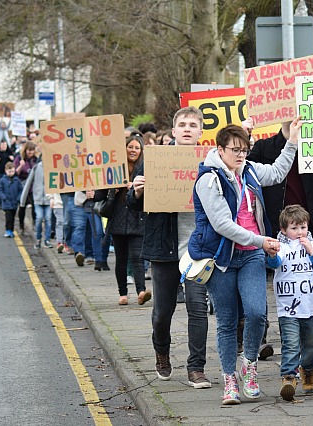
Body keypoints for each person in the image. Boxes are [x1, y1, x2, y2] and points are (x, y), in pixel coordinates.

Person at [188, 119, 301, 405]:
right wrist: (261, 241)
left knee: (256, 312)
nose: (241, 155)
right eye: (235, 150)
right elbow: (223, 224)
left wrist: (293, 142)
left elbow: (276, 172)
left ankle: (248, 366)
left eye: (244, 149)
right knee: (226, 321)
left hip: (250, 255)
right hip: (222, 258)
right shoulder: (208, 180)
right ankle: (229, 381)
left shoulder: (249, 170)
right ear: (220, 149)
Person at [128, 106, 211, 388]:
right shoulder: (155, 160)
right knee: (162, 312)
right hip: (164, 248)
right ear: (174, 131)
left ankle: (196, 367)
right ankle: (162, 352)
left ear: (201, 131)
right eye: (183, 124)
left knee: (198, 308)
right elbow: (133, 203)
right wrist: (137, 192)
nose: (188, 128)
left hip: (198, 248)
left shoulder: (210, 162)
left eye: (193, 124)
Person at [246, 118, 313, 349]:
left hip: (309, 226)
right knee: (272, 278)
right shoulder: (264, 148)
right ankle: (268, 331)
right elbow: (243, 173)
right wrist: (245, 136)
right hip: (273, 227)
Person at [266, 205, 313, 401]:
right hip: (288, 308)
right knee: (291, 344)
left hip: (311, 307)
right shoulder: (281, 246)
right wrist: (272, 254)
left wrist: (311, 251)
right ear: (284, 230)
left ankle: (307, 369)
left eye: (303, 227)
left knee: (311, 344)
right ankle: (288, 377)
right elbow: (274, 264)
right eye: (294, 228)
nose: (299, 232)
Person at [95, 134, 150, 306]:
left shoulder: (145, 169)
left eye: (136, 148)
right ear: (124, 149)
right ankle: (123, 294)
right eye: (130, 147)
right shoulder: (114, 169)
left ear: (141, 151)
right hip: (117, 219)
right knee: (121, 258)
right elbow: (101, 193)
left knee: (137, 258)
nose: (133, 150)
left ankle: (141, 291)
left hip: (137, 219)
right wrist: (93, 194)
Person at [22, 158, 52, 249]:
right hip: (38, 199)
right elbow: (28, 183)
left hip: (49, 199)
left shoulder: (52, 168)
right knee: (39, 218)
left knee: (48, 218)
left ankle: (47, 240)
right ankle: (38, 239)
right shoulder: (36, 168)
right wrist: (22, 201)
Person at [14, 142, 38, 232]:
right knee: (22, 205)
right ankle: (21, 224)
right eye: (29, 151)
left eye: (32, 151)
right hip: (22, 185)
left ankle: (35, 223)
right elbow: (15, 173)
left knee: (34, 205)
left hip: (32, 185)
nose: (30, 153)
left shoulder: (35, 160)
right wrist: (21, 165)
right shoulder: (19, 158)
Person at [0, 162, 23, 238]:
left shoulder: (16, 180)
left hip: (14, 202)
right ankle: (8, 230)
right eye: (9, 171)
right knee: (8, 217)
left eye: (12, 171)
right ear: (6, 171)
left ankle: (11, 230)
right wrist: (3, 197)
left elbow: (20, 190)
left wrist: (18, 198)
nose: (11, 173)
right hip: (6, 202)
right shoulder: (2, 180)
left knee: (13, 217)